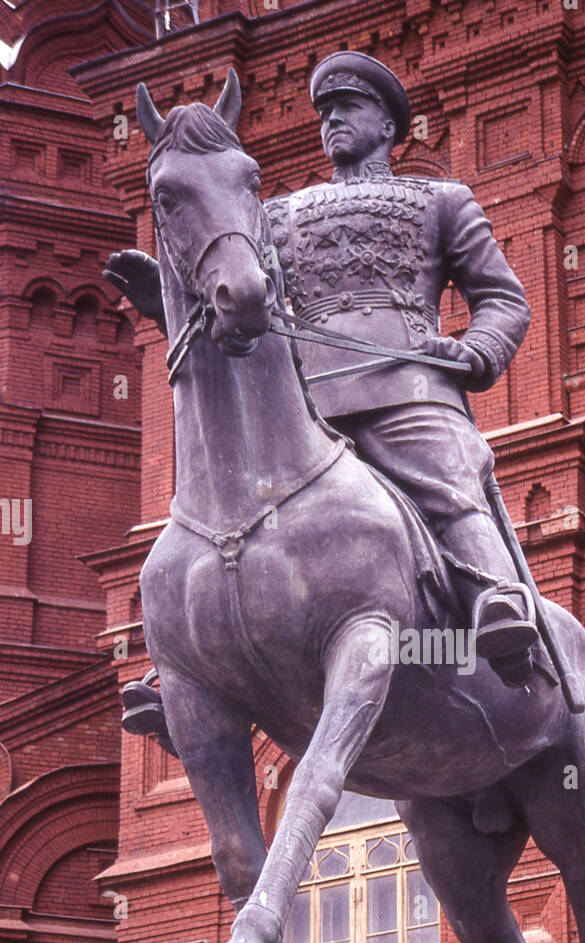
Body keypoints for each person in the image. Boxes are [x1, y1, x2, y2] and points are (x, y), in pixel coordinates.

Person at [106, 51, 541, 685]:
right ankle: (190, 665)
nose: (332, 118)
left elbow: (504, 298)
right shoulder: (274, 216)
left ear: (388, 126)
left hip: (407, 389)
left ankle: (496, 599)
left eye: (348, 107)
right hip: (304, 407)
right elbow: (239, 313)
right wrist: (169, 311)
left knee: (446, 479)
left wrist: (475, 351)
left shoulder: (442, 201)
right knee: (229, 517)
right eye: (324, 111)